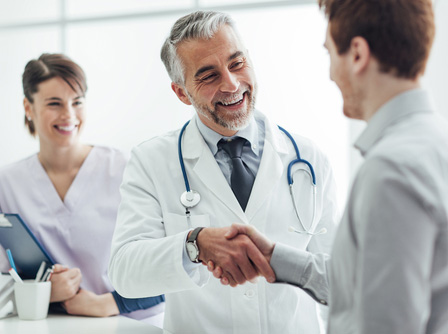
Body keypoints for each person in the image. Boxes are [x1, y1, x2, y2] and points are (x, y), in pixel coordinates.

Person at [210, 1, 448, 333]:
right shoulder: (435, 141)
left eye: (330, 54)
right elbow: (366, 283)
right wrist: (275, 257)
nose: (331, 73)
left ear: (357, 54)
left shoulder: (392, 170)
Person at [108, 10, 339, 334]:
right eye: (208, 75)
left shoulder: (309, 159)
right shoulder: (151, 161)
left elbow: (337, 278)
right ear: (180, 91)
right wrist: (195, 244)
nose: (231, 84)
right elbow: (124, 272)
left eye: (237, 63)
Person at [0, 53, 165, 324]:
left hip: (131, 323)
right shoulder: (7, 184)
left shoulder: (125, 168)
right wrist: (44, 292)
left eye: (77, 102)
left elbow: (174, 265)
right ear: (28, 108)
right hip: (51, 326)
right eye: (54, 103)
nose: (68, 115)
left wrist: (109, 303)